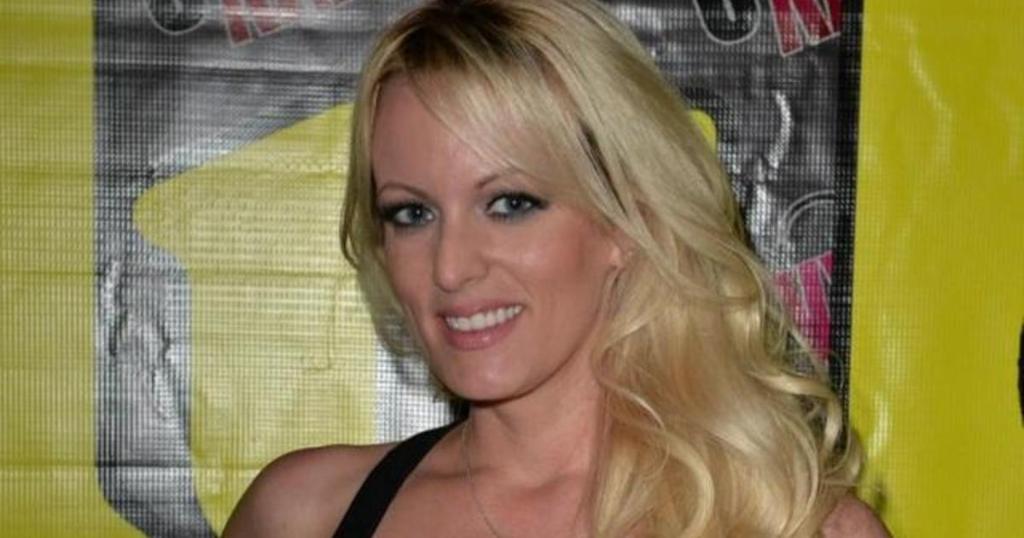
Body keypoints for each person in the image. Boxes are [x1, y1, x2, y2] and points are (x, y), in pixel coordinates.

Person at [224, 0, 890, 536]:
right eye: (411, 213)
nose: (450, 268)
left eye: (511, 204)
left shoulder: (793, 525)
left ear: (626, 221)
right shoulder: (304, 515)